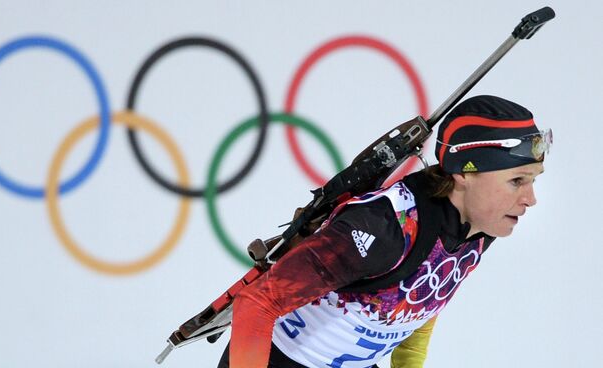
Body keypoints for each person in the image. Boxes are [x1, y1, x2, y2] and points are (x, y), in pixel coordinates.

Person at [217, 95, 552, 368]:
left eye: (533, 180)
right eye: (516, 181)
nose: (530, 199)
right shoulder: (382, 228)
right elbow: (257, 303)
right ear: (464, 174)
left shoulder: (480, 224)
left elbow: (425, 297)